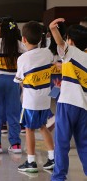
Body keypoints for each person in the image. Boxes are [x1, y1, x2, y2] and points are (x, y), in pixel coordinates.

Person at [49, 18, 87, 181]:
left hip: (67, 105)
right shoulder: (83, 56)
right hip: (84, 108)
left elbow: (60, 43)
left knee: (62, 144)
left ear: (70, 41)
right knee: (84, 145)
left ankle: (59, 177)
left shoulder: (70, 51)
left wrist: (53, 29)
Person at [14, 21, 55, 173]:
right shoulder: (47, 53)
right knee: (43, 127)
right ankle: (53, 158)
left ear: (23, 39)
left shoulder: (23, 59)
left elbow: (19, 81)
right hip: (45, 99)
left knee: (29, 129)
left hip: (30, 101)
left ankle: (31, 162)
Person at [0, 17, 25, 154]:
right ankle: (15, 145)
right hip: (14, 81)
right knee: (13, 112)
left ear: (0, 30)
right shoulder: (21, 45)